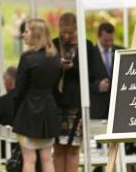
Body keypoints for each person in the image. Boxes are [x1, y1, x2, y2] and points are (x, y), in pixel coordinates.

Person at [51, 12, 103, 172]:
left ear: (77, 30)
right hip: (56, 103)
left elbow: (93, 75)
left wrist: (72, 68)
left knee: (73, 149)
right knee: (58, 149)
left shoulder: (86, 46)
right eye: (63, 32)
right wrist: (57, 67)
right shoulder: (53, 45)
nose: (66, 36)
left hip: (77, 104)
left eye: (70, 32)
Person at [12, 18, 62, 172]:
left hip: (28, 112)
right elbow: (56, 88)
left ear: (36, 34)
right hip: (49, 111)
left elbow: (19, 91)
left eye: (26, 31)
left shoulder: (27, 58)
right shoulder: (55, 58)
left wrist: (15, 113)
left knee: (29, 160)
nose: (23, 35)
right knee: (47, 158)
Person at [90, 22, 123, 120]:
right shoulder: (89, 54)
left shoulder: (121, 51)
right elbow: (84, 81)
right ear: (98, 36)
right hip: (98, 108)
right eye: (106, 40)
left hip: (118, 107)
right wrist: (98, 85)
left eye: (111, 40)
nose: (109, 43)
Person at [0, 66, 18, 168]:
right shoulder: (28, 101)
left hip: (1, 150)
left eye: (4, 81)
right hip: (24, 147)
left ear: (9, 82)